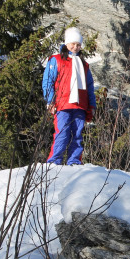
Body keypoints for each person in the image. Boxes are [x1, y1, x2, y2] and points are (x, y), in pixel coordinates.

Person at [42, 27, 96, 165]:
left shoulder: (84, 64)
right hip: (62, 104)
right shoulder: (56, 60)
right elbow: (48, 81)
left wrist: (92, 105)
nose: (75, 47)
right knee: (62, 133)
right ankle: (54, 161)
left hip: (80, 105)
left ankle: (74, 161)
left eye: (78, 44)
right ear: (66, 43)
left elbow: (89, 86)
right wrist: (50, 101)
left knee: (77, 135)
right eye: (73, 44)